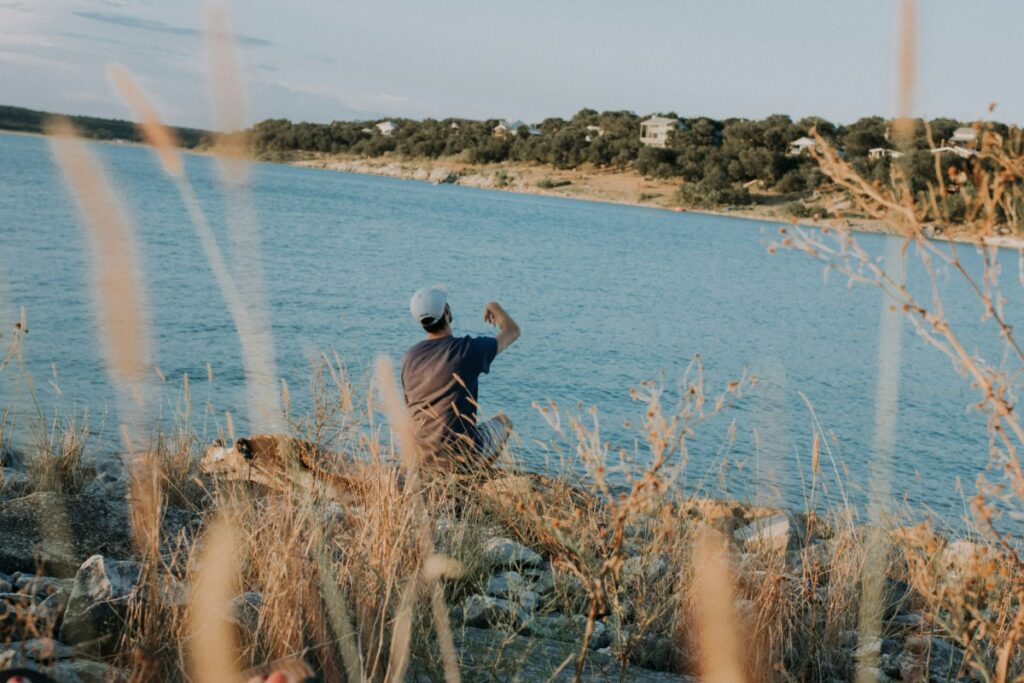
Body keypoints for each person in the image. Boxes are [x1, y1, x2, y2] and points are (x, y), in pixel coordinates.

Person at [402, 285, 520, 471]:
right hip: (461, 456)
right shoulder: (466, 350)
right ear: (447, 311)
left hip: (421, 456)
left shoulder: (410, 357)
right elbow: (512, 331)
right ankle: (475, 475)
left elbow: (410, 407)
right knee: (504, 422)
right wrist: (494, 306)